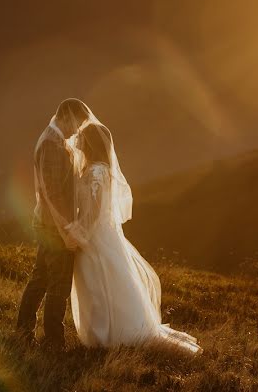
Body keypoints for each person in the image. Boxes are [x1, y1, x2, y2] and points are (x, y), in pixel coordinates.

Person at [68, 121, 201, 353]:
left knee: (100, 283)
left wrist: (80, 233)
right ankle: (103, 335)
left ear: (90, 143)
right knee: (99, 283)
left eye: (81, 137)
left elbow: (96, 209)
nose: (77, 140)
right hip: (100, 235)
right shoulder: (96, 169)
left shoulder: (97, 171)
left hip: (95, 237)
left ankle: (111, 335)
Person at [14, 98, 91, 350]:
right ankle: (53, 342)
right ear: (66, 114)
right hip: (53, 226)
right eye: (76, 124)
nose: (76, 130)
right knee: (58, 283)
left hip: (49, 224)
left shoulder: (54, 140)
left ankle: (25, 333)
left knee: (41, 278)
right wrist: (66, 229)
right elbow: (52, 194)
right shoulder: (51, 143)